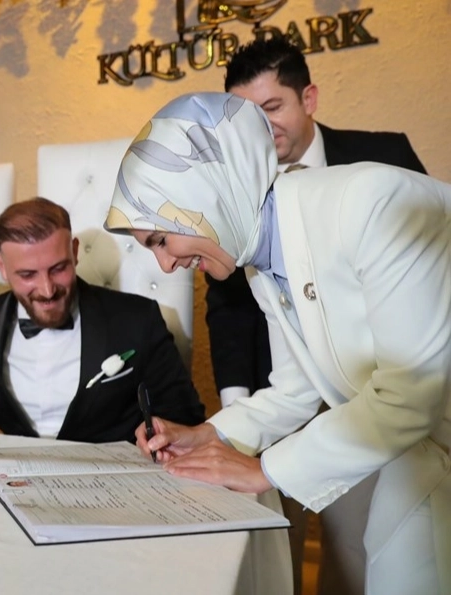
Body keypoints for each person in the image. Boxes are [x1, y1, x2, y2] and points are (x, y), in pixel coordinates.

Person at [105, 92, 450, 595]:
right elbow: (294, 389)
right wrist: (209, 435)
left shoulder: (373, 202)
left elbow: (411, 395)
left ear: (205, 192)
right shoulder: (260, 257)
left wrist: (263, 470)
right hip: (423, 453)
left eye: (160, 239)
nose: (166, 264)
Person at [206, 37, 429, 595]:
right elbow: (228, 307)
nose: (262, 128)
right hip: (290, 385)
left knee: (365, 548)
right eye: (247, 117)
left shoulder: (381, 161)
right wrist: (233, 416)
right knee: (282, 538)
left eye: (272, 107)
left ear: (308, 98)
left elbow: (425, 268)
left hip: (397, 387)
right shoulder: (237, 189)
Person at [0, 197, 205, 442]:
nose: (47, 290)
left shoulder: (138, 319)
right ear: (2, 268)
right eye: (28, 275)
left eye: (58, 269)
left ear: (75, 252)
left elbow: (184, 420)